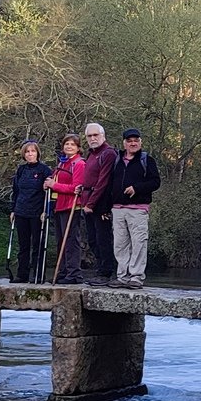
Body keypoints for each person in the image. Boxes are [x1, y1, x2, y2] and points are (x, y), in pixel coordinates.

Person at [108, 128, 160, 290]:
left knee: (138, 243)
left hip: (138, 209)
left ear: (140, 142)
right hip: (117, 209)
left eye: (136, 140)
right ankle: (122, 276)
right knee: (120, 244)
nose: (133, 143)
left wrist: (136, 188)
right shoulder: (116, 161)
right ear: (124, 143)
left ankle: (136, 276)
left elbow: (155, 182)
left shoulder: (147, 160)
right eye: (129, 141)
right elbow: (108, 185)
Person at [75, 123, 119, 286]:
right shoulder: (92, 154)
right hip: (89, 201)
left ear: (103, 136)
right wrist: (83, 190)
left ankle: (106, 272)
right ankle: (100, 270)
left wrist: (91, 203)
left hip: (101, 203)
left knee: (103, 238)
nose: (93, 138)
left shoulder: (108, 154)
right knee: (93, 239)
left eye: (96, 135)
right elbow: (91, 178)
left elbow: (103, 181)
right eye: (89, 136)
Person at [10, 140, 53, 284]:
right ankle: (22, 274)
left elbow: (49, 194)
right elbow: (16, 191)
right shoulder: (21, 170)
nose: (30, 154)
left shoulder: (45, 170)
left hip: (37, 213)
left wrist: (46, 211)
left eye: (33, 151)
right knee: (23, 245)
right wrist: (13, 210)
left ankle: (38, 274)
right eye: (27, 152)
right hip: (21, 211)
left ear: (37, 153)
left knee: (38, 245)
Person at [49, 134, 86, 284]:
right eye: (66, 144)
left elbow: (76, 187)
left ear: (78, 147)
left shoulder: (79, 164)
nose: (69, 146)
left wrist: (54, 185)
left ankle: (74, 273)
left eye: (72, 144)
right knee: (60, 240)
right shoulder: (62, 163)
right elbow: (54, 181)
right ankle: (63, 272)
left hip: (72, 206)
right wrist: (49, 183)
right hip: (59, 206)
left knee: (70, 240)